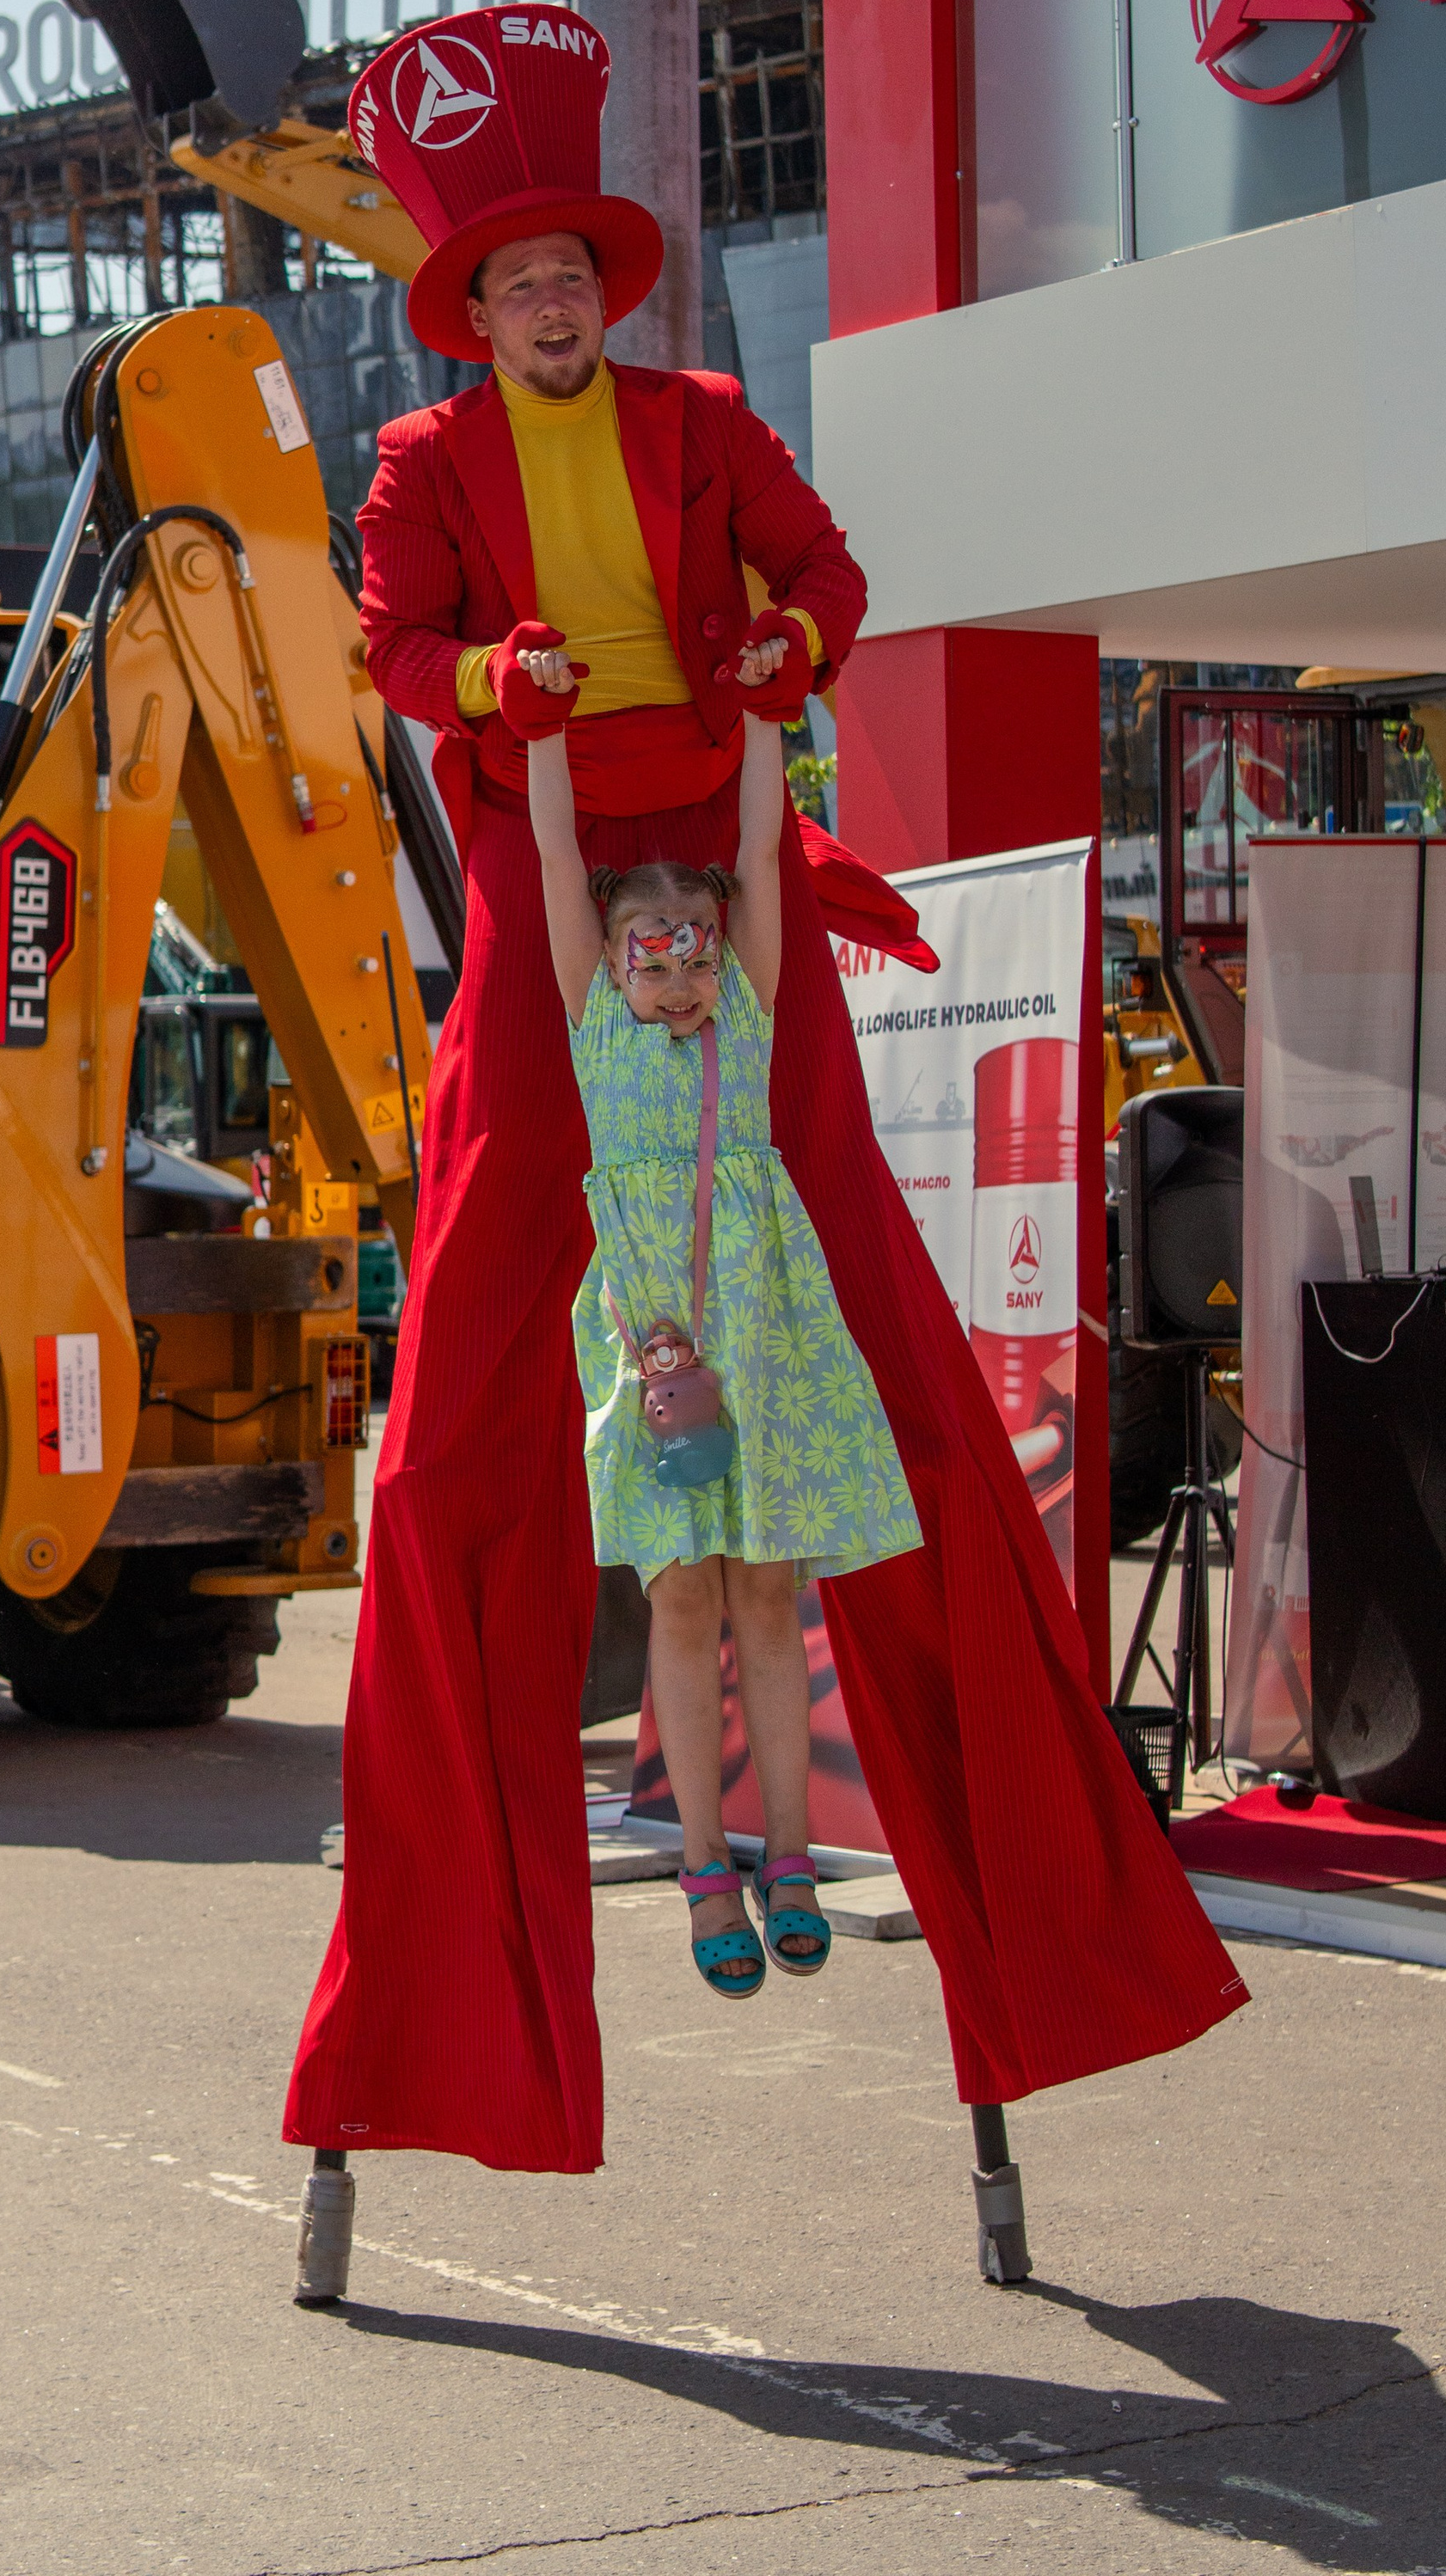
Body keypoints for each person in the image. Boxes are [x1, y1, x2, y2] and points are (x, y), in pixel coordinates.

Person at [285, 3, 1244, 2180]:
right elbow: (392, 649)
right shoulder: (428, 469)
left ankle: (908, 1878)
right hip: (551, 877)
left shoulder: (699, 419)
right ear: (475, 312)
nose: (544, 305)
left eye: (567, 279)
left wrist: (784, 654)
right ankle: (497, 1967)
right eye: (509, 283)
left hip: (720, 866)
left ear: (603, 297)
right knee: (464, 1382)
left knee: (845, 1285)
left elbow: (822, 579)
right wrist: (489, 680)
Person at [523, 645, 922, 1998]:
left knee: (769, 1590)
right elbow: (548, 849)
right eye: (656, 954)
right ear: (615, 956)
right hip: (652, 1346)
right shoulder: (596, 1032)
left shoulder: (746, 1015)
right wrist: (537, 735)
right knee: (679, 1599)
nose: (684, 977)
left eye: (700, 949)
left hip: (770, 1330)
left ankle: (791, 1855)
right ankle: (705, 1865)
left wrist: (769, 717)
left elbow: (762, 836)